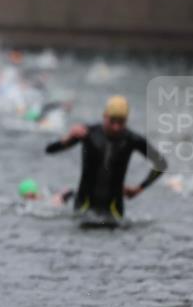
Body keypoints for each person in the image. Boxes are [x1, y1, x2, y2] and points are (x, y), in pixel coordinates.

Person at [45, 95, 166, 224]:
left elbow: (161, 163)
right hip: (84, 205)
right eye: (112, 121)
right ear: (104, 116)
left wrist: (139, 188)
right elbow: (49, 150)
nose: (116, 127)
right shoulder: (87, 133)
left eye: (121, 122)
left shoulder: (132, 139)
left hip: (113, 209)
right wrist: (68, 138)